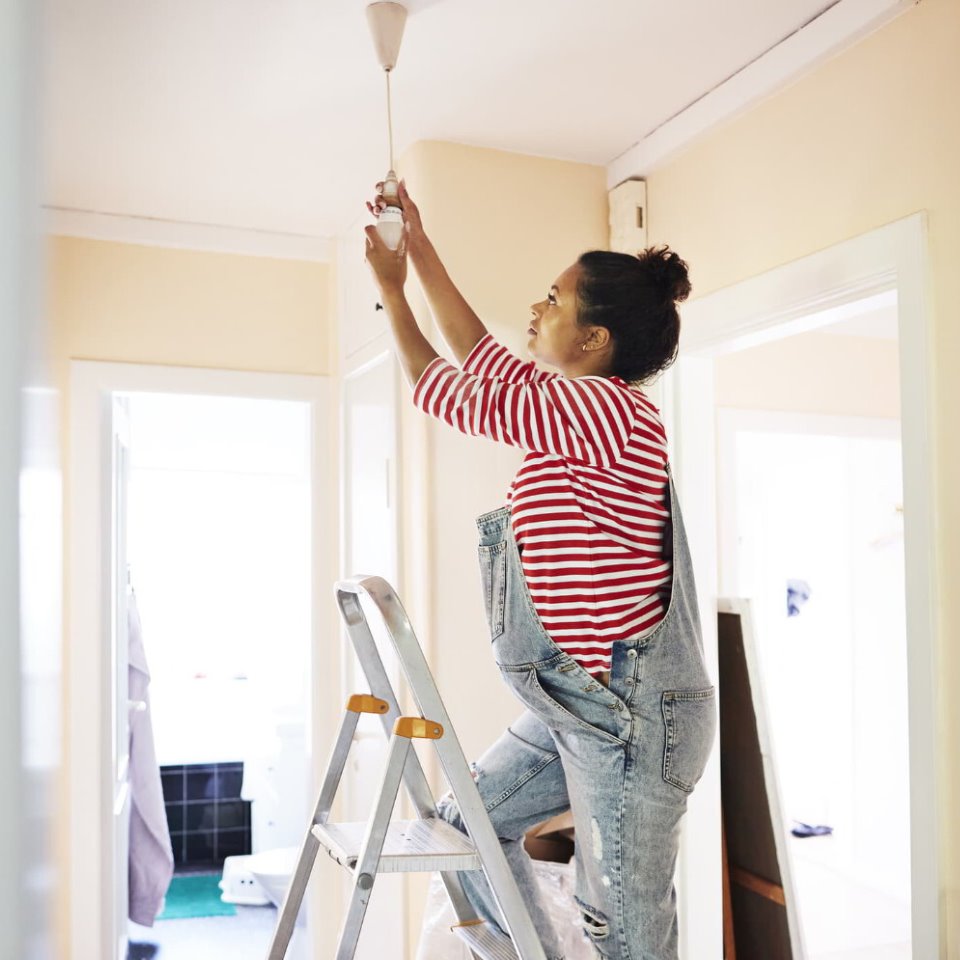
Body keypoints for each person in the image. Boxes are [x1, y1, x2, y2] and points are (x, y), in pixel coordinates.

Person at [365, 181, 716, 960]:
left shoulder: (608, 411)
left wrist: (390, 292)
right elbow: (478, 356)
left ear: (593, 340)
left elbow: (444, 389)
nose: (537, 309)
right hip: (579, 702)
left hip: (633, 715)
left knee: (622, 929)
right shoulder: (571, 405)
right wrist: (417, 247)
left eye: (553, 300)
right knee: (470, 829)